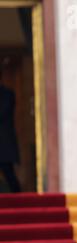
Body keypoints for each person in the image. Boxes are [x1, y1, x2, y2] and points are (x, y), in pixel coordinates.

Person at [0, 65, 21, 193]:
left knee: (9, 175)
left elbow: (3, 112)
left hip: (4, 144)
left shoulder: (8, 95)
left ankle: (21, 204)